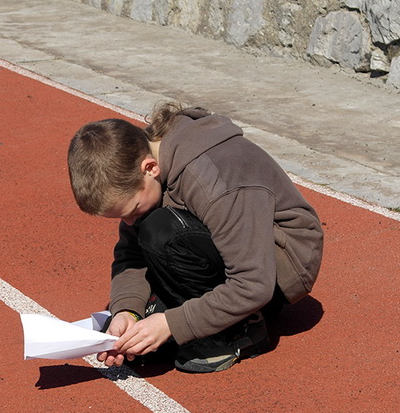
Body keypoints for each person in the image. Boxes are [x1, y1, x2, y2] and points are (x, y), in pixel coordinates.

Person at [67, 103, 323, 373]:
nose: (129, 223)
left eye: (132, 211)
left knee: (161, 229)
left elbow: (253, 284)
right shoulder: (141, 166)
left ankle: (243, 327)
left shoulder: (217, 181)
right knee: (141, 342)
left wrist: (171, 324)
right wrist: (127, 311)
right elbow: (132, 256)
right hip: (224, 251)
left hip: (278, 267)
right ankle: (199, 315)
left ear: (150, 168)